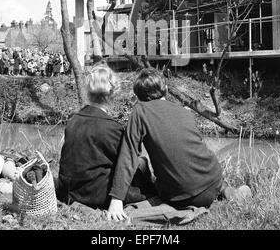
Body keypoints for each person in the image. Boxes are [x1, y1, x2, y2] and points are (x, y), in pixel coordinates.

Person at [107, 68, 223, 221]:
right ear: (166, 89)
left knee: (156, 191)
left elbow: (128, 155)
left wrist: (116, 199)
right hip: (215, 179)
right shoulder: (185, 111)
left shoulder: (140, 111)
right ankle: (226, 191)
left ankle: (183, 209)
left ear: (138, 96)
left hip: (186, 197)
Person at [55, 62, 155, 209]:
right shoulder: (113, 128)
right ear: (113, 94)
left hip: (68, 191)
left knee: (141, 163)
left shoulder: (73, 120)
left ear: (88, 91)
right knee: (142, 167)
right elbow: (127, 164)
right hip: (94, 195)